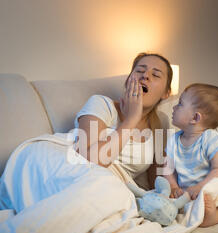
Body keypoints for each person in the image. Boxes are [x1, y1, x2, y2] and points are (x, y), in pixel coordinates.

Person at [74, 52, 173, 187]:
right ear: (128, 81)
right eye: (139, 71)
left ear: (166, 93)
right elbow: (87, 161)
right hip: (77, 175)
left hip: (113, 189)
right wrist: (131, 120)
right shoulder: (101, 104)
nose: (145, 76)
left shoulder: (160, 122)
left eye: (155, 75)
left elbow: (156, 183)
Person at [163, 83, 218, 228]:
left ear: (195, 118)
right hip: (184, 191)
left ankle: (215, 216)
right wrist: (173, 187)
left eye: (180, 104)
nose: (174, 108)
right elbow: (168, 168)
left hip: (208, 187)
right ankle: (179, 210)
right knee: (162, 195)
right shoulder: (173, 140)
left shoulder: (211, 138)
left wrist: (200, 187)